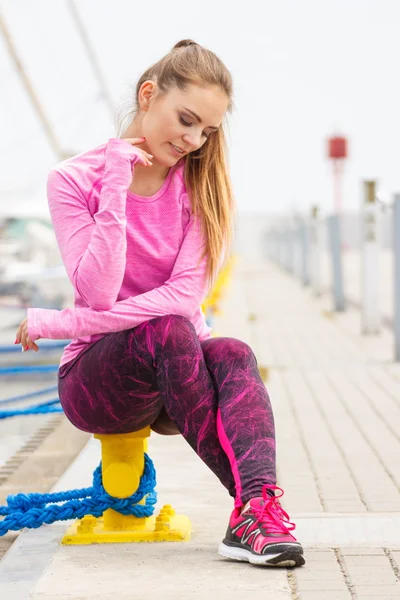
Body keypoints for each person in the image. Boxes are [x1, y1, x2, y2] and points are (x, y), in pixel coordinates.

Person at [15, 39, 305, 568]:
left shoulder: (202, 186)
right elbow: (102, 290)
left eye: (208, 131)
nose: (194, 141)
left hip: (177, 377)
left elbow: (184, 296)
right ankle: (252, 515)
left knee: (234, 350)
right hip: (98, 382)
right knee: (172, 329)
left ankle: (255, 509)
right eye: (186, 120)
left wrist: (62, 320)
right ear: (148, 95)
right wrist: (116, 186)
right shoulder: (73, 179)